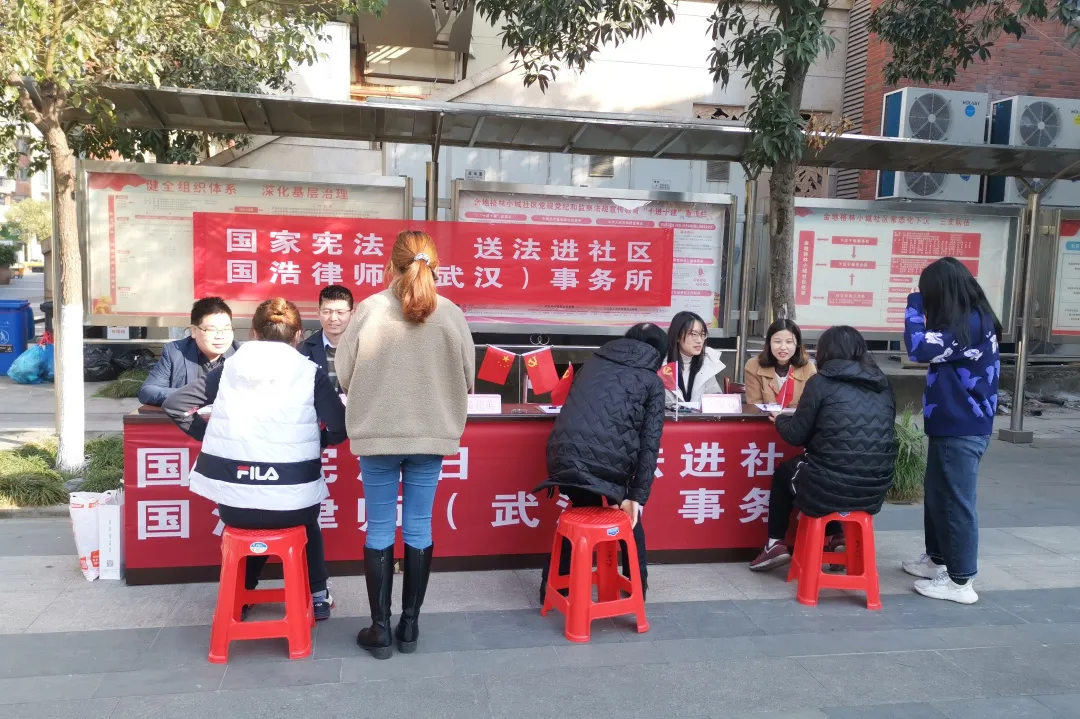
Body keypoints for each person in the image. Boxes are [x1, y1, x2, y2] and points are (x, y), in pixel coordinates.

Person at [335, 230, 475, 660]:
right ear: (435, 266)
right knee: (419, 527)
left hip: (377, 433)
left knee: (379, 528)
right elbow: (469, 376)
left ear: (390, 265)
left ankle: (380, 630)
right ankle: (409, 626)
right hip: (430, 435)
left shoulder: (369, 310)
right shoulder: (451, 313)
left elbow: (344, 373)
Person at [162, 298, 346, 620]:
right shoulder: (309, 373)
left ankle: (241, 594)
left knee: (256, 505)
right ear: (298, 335)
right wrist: (319, 442)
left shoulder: (227, 370)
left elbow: (175, 405)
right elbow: (340, 427)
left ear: (254, 333)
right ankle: (318, 596)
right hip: (294, 502)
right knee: (301, 514)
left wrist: (210, 438)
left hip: (235, 504)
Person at [749, 325, 896, 572]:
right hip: (874, 489)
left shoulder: (820, 382)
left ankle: (774, 543)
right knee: (828, 472)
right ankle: (838, 536)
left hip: (827, 486)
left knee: (787, 473)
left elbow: (796, 435)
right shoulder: (884, 385)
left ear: (826, 351)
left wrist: (781, 419)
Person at [539, 323, 668, 600]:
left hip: (561, 456)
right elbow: (650, 445)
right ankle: (636, 594)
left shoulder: (591, 365)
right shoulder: (652, 381)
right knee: (630, 521)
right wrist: (637, 497)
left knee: (580, 509)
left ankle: (554, 589)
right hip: (604, 463)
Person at [901, 257, 1000, 605]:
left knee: (956, 502)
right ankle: (937, 560)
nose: (927, 301)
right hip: (951, 424)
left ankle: (960, 581)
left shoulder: (970, 323)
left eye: (928, 294)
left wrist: (913, 304)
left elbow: (918, 348)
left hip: (961, 427)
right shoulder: (969, 319)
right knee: (937, 495)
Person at [139, 297, 239, 406]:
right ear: (194, 331)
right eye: (211, 329)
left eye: (226, 329)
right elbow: (147, 391)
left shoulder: (241, 354)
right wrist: (192, 395)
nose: (220, 336)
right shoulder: (175, 352)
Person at [743, 319, 816, 408]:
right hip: (766, 417)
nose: (783, 347)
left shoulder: (808, 368)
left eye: (789, 342)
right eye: (777, 341)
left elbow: (811, 406)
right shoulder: (753, 366)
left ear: (797, 344)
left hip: (797, 417)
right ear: (769, 343)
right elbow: (754, 406)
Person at [299, 285, 354, 394]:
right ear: (318, 312)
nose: (333, 318)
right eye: (327, 312)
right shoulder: (302, 350)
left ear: (352, 314)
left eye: (340, 312)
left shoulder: (362, 350)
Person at [666, 311, 725, 405]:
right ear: (677, 336)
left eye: (703, 334)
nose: (699, 340)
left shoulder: (708, 363)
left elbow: (716, 401)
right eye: (694, 334)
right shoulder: (662, 366)